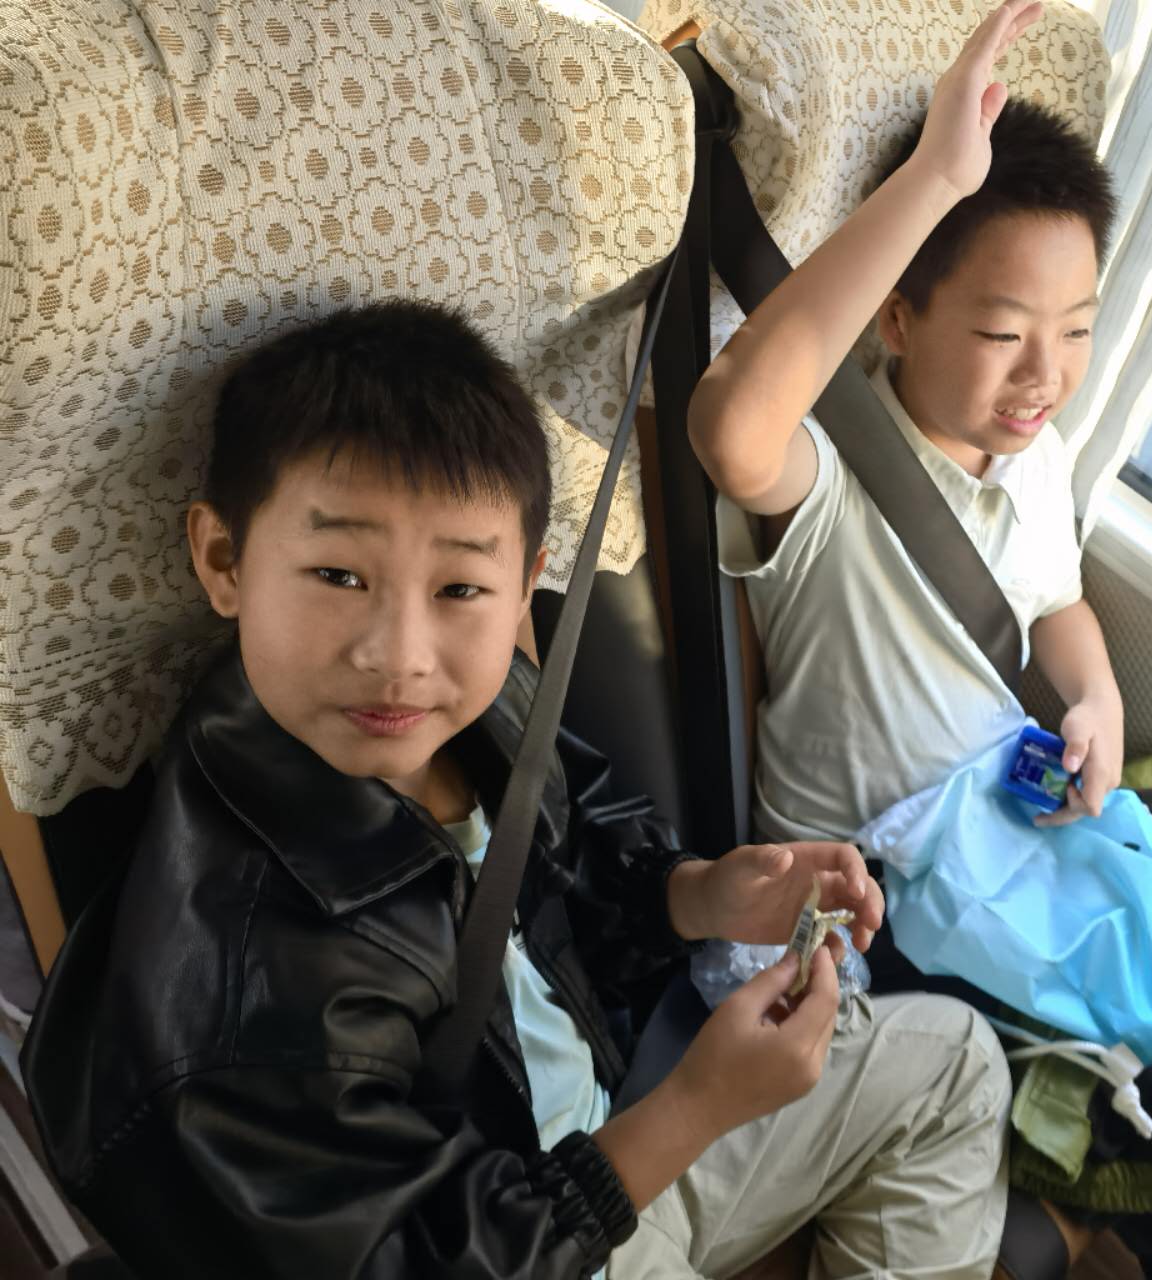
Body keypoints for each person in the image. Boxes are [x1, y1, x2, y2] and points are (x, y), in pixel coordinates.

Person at [21, 290, 1013, 1278]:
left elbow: (578, 854)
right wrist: (695, 1108)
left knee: (955, 1062)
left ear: (524, 579)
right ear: (224, 559)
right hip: (536, 1235)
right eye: (338, 576)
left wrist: (702, 894)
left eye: (459, 588)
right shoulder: (246, 993)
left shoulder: (482, 713)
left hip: (611, 1146)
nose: (401, 656)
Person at [688, 0, 1122, 849]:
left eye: (1076, 331)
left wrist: (1095, 697)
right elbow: (734, 436)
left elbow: (1056, 603)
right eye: (1003, 335)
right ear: (897, 321)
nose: (1045, 374)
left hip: (983, 835)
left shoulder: (1041, 460)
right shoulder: (833, 473)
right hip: (841, 874)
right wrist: (936, 183)